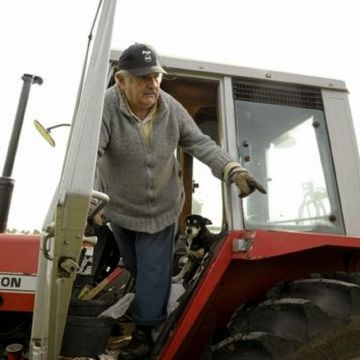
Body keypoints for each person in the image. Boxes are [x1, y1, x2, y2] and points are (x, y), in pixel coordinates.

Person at [96, 43, 266, 360]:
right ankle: (146, 305)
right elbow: (93, 153)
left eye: (156, 76)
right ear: (121, 81)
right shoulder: (106, 108)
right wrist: (90, 200)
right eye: (143, 77)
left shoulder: (171, 109)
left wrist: (232, 169)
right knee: (134, 265)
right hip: (120, 208)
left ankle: (146, 334)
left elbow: (199, 143)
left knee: (153, 269)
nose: (152, 83)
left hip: (161, 209)